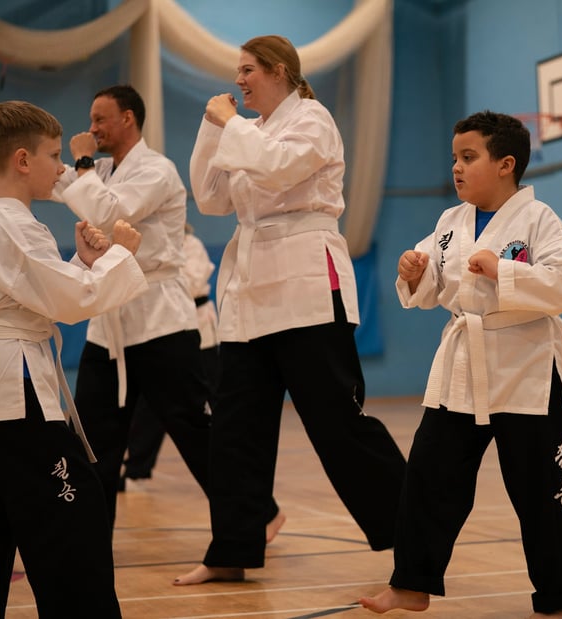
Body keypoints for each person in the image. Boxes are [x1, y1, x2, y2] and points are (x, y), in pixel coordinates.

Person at [174, 35, 407, 585]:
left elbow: (277, 170)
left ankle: (415, 528)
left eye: (249, 70)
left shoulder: (314, 120)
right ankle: (231, 548)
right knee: (235, 429)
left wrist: (229, 127)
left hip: (306, 286)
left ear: (280, 71)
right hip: (250, 292)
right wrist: (214, 126)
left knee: (336, 425)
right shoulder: (246, 131)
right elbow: (210, 198)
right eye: (238, 72)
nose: (240, 80)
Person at [359, 111, 562, 617]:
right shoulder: (450, 223)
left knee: (542, 494)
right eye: (454, 158)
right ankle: (412, 584)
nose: (457, 168)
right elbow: (431, 286)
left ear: (506, 164)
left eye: (469, 157)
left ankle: (558, 602)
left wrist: (504, 270)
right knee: (428, 477)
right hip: (463, 369)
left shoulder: (539, 219)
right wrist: (413, 272)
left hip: (527, 370)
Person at [0, 103, 147, 618]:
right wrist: (119, 254)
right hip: (14, 386)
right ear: (22, 160)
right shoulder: (15, 227)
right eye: (52, 155)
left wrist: (83, 263)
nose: (60, 168)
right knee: (71, 523)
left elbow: (30, 295)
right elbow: (69, 303)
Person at [49, 84, 214, 530]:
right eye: (91, 119)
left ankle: (252, 517)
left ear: (128, 118)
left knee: (193, 430)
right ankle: (90, 537)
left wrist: (82, 163)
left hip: (160, 317)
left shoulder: (157, 169)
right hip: (111, 323)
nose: (93, 128)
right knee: (93, 438)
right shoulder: (99, 169)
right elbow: (44, 175)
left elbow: (109, 215)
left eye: (100, 118)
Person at [120, 223, 218, 490]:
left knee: (212, 404)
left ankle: (229, 461)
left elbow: (194, 283)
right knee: (152, 406)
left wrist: (166, 279)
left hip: (200, 332)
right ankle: (138, 468)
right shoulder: (154, 249)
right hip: (165, 329)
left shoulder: (191, 245)